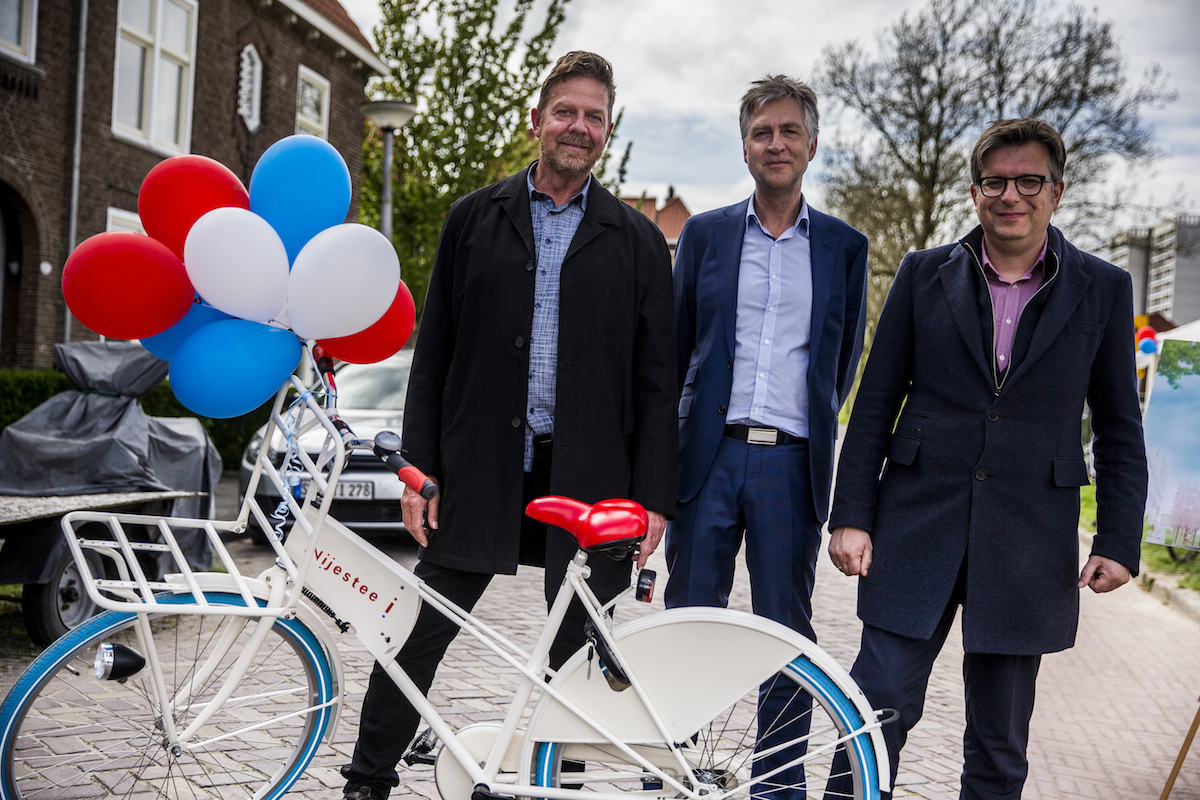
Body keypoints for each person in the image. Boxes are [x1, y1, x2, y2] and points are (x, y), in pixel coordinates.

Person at [340, 51, 677, 800]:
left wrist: (655, 499)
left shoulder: (638, 241)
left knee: (577, 662)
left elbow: (659, 383)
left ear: (608, 131)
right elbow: (435, 356)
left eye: (594, 116)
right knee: (414, 633)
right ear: (536, 121)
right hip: (484, 470)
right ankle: (367, 780)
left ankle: (552, 785)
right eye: (566, 111)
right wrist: (419, 472)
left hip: (592, 482)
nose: (578, 127)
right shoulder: (473, 218)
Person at [826, 118, 1148, 799]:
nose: (1012, 195)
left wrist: (1120, 540)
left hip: (1028, 540)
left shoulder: (1105, 289)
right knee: (873, 713)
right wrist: (851, 514)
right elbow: (875, 402)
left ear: (1056, 191)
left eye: (1029, 180)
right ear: (974, 193)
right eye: (995, 181)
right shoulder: (921, 274)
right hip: (915, 526)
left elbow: (1120, 427)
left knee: (999, 745)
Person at [665, 75, 867, 799]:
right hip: (708, 458)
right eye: (761, 132)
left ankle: (776, 787)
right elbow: (680, 345)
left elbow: (840, 367)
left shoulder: (844, 246)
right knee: (685, 623)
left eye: (788, 131)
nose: (775, 144)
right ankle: (672, 773)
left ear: (811, 144)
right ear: (745, 145)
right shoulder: (706, 233)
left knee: (784, 639)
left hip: (790, 467)